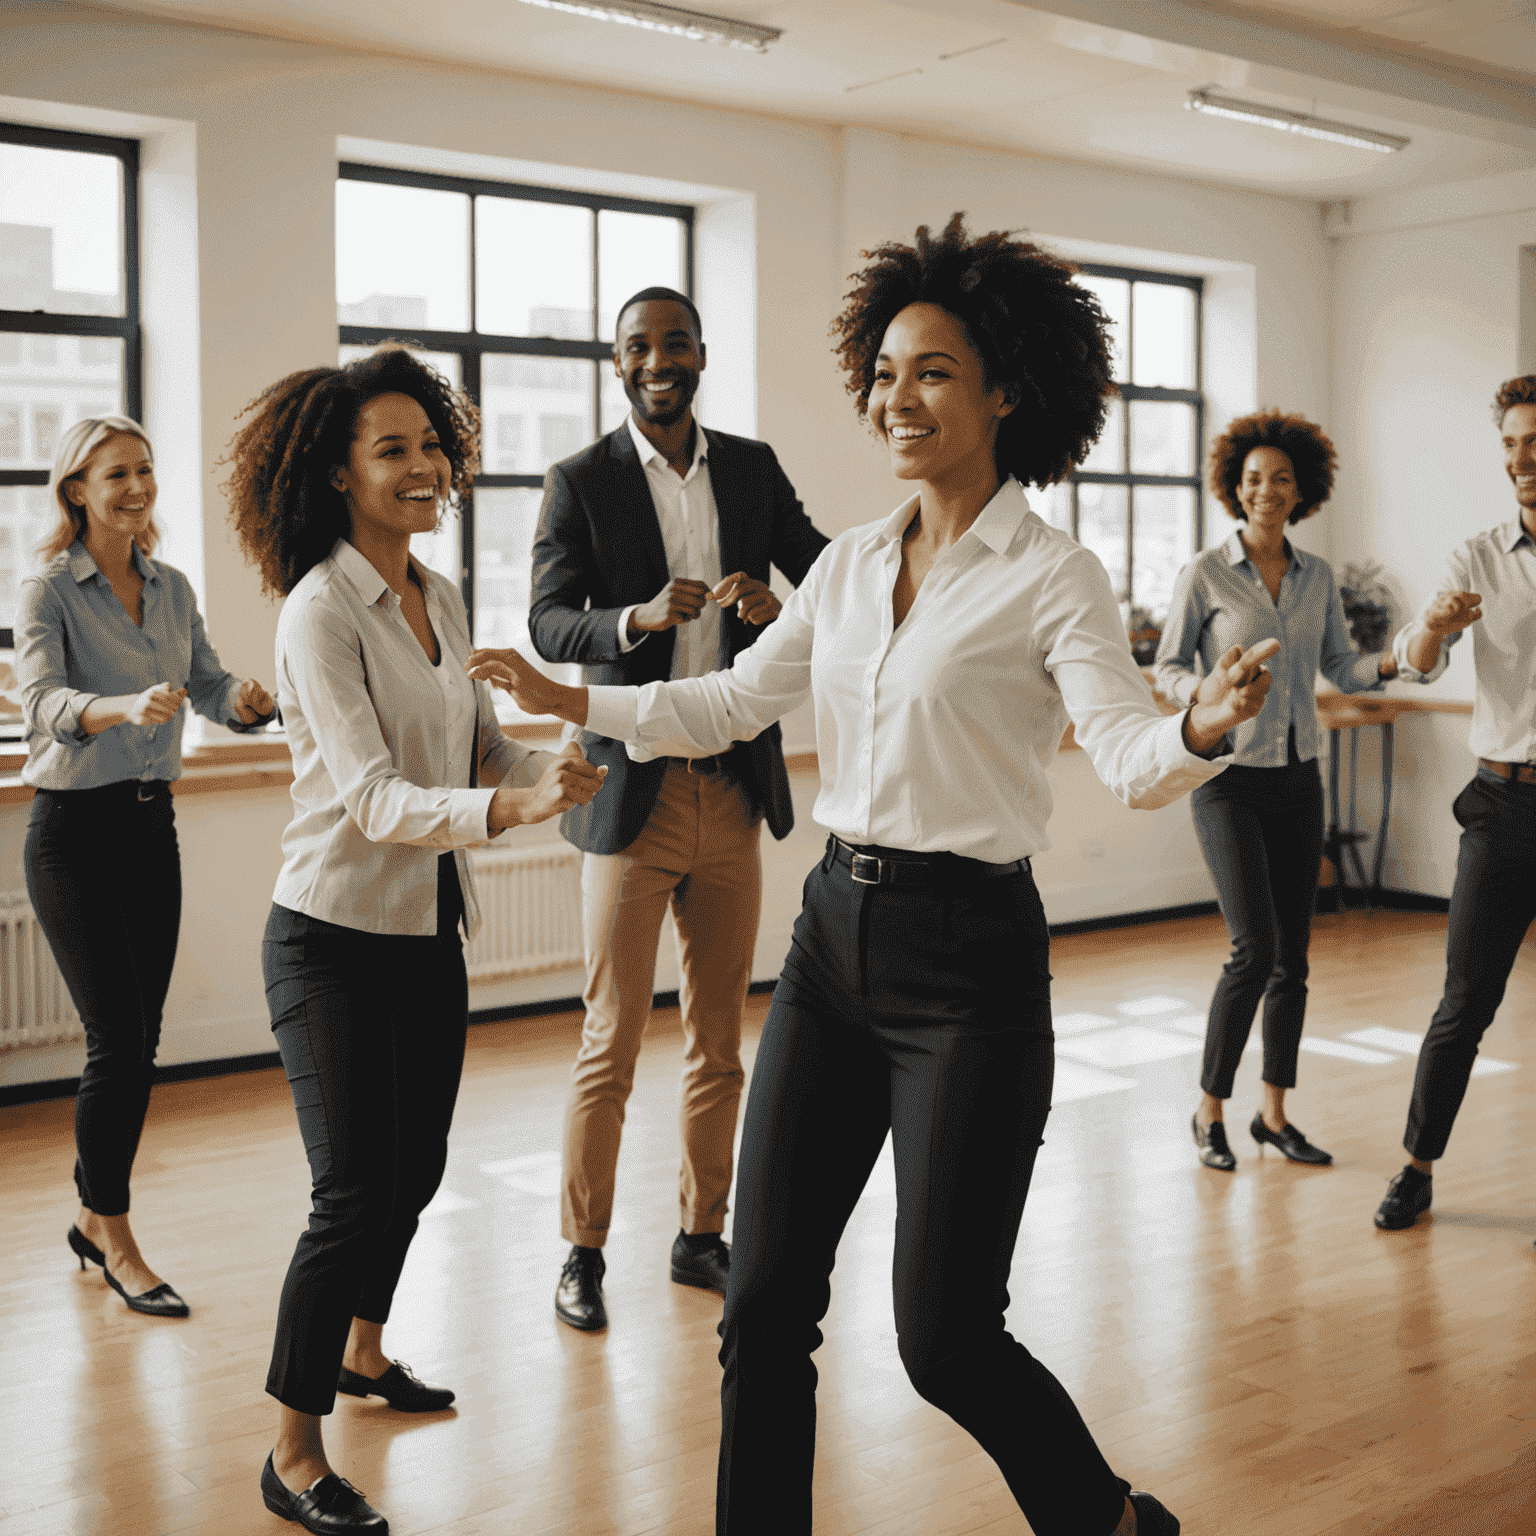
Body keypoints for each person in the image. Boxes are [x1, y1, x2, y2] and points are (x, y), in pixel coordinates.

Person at [470, 215, 1282, 1536]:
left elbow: (1129, 751)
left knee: (945, 1339)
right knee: (762, 1307)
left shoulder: (1052, 576)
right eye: (886, 372)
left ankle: (1110, 1521)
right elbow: (728, 702)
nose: (896, 398)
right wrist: (573, 694)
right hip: (833, 943)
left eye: (934, 373)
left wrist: (1200, 725)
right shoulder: (846, 565)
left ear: (1008, 392)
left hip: (971, 967)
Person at [223, 348, 606, 1536]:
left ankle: (363, 1352)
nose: (423, 467)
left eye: (432, 446)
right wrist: (512, 809)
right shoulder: (317, 610)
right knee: (351, 1189)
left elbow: (479, 749)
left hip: (426, 928)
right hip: (328, 937)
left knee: (419, 1167)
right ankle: (291, 1453)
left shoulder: (436, 597)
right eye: (392, 450)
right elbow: (380, 799)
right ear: (338, 475)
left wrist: (545, 769)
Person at [529, 285, 829, 1331]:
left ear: (702, 355)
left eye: (676, 343)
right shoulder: (581, 482)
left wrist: (777, 606)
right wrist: (636, 618)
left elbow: (833, 575)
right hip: (629, 795)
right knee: (610, 1040)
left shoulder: (750, 469)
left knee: (718, 1040)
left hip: (732, 793)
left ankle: (703, 1234)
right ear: (617, 364)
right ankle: (583, 1252)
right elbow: (549, 624)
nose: (660, 359)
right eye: (638, 346)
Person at [16, 416, 274, 1321]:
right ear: (76, 489)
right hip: (70, 835)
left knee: (139, 1043)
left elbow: (204, 682)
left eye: (146, 470)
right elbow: (41, 701)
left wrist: (242, 700)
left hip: (148, 828)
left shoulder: (169, 587)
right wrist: (122, 708)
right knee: (116, 1044)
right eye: (115, 473)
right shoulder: (47, 587)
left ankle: (93, 1213)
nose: (137, 486)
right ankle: (114, 1232)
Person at [1155, 411, 1397, 1173]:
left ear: (1303, 491)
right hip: (1227, 781)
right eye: (1253, 478)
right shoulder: (1205, 572)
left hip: (1300, 778)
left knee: (1294, 958)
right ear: (1235, 486)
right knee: (1252, 952)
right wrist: (1209, 692)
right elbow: (1163, 669)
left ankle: (1274, 1114)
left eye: (1281, 479)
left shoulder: (1317, 577)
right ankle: (1209, 1110)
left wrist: (1397, 662)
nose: (1266, 490)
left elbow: (1344, 668)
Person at [1374, 374, 1536, 1241]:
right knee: (1464, 1002)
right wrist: (1435, 626)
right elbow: (1417, 659)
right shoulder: (1480, 554)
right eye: (1511, 443)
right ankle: (1415, 1169)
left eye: (1535, 442)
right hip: (1504, 807)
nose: (1522, 459)